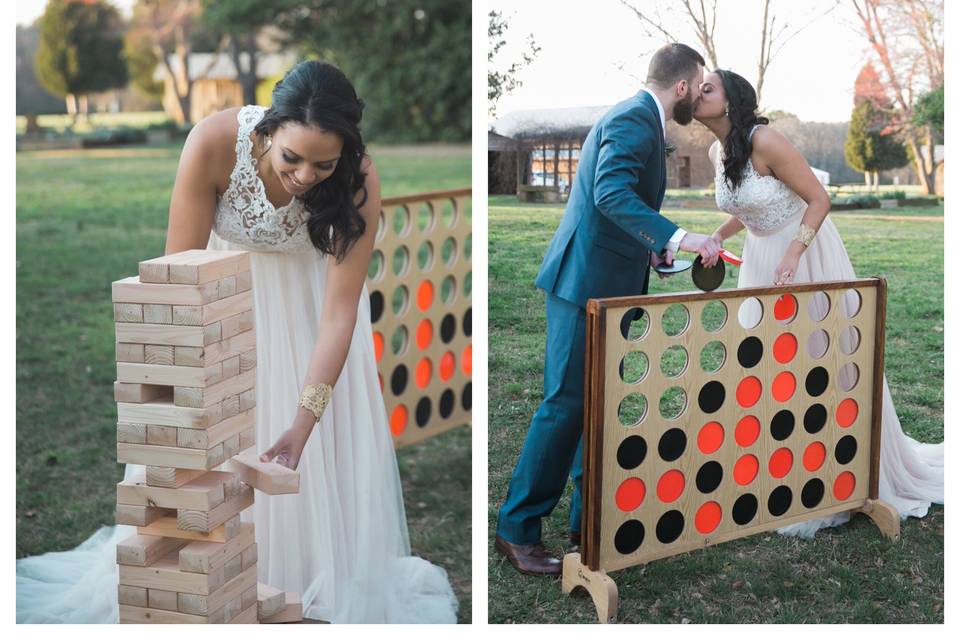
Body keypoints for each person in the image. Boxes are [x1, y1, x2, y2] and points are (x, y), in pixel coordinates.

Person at [17, 60, 458, 623]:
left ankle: (292, 581)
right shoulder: (213, 143)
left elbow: (340, 313)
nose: (305, 176)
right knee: (211, 458)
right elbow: (176, 278)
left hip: (311, 326)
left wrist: (304, 424)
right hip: (223, 315)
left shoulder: (358, 179)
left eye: (323, 164)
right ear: (267, 131)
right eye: (291, 158)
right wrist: (174, 391)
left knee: (298, 462)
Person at [494, 43, 722, 575]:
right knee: (565, 406)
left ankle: (586, 520)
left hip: (611, 286)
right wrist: (682, 236)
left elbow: (623, 211)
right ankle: (516, 530)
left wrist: (656, 250)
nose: (699, 93)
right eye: (700, 83)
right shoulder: (633, 119)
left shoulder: (644, 120)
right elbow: (609, 194)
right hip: (582, 286)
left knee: (596, 406)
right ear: (684, 85)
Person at [693, 68, 943, 537]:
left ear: (729, 102)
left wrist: (793, 255)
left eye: (708, 88)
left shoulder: (766, 139)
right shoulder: (715, 149)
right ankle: (778, 466)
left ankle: (837, 468)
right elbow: (749, 209)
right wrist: (716, 235)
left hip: (805, 256)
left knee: (819, 361)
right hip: (759, 262)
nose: (697, 93)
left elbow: (817, 199)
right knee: (765, 365)